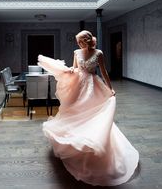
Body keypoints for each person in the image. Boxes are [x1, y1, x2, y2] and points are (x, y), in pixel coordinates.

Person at [38, 30, 139, 186]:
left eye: (80, 42)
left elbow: (104, 72)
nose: (78, 44)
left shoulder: (98, 53)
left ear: (87, 40)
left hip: (93, 85)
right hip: (79, 84)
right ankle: (76, 141)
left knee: (92, 113)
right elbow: (75, 68)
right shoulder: (76, 52)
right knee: (74, 111)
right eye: (77, 42)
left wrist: (110, 88)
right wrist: (71, 70)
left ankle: (92, 139)